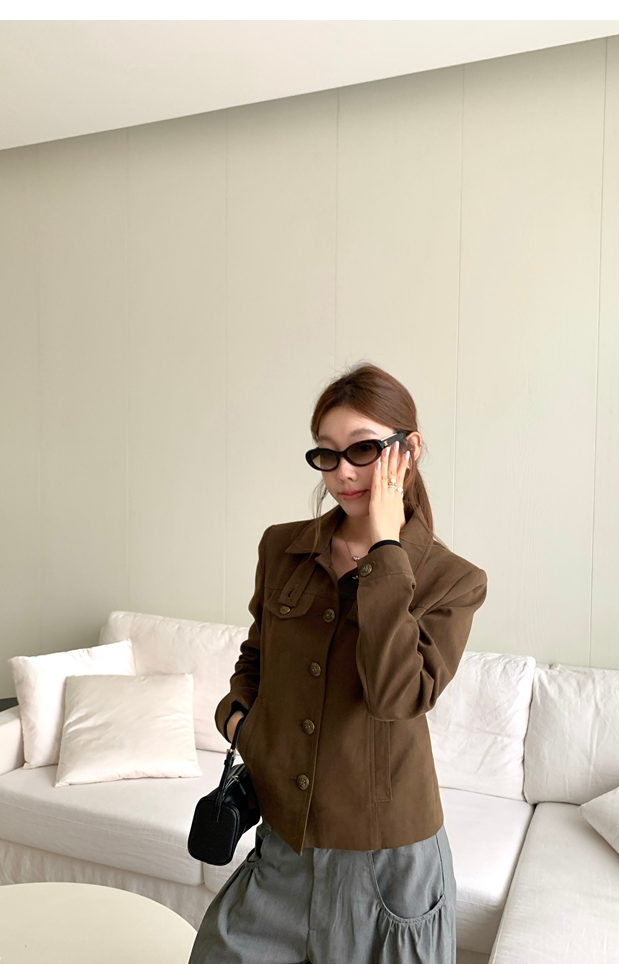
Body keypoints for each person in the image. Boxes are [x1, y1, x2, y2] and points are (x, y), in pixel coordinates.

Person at [189, 362, 487, 964]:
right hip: (283, 843)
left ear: (409, 450)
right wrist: (240, 721)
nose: (343, 472)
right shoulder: (282, 546)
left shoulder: (452, 580)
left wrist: (385, 550)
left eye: (363, 450)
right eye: (327, 453)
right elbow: (256, 656)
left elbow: (396, 697)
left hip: (390, 866)